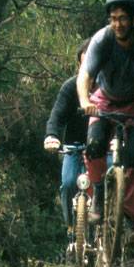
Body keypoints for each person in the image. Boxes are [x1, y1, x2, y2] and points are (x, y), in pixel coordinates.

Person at [77, 0, 134, 247]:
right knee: (94, 146)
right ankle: (98, 195)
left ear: (133, 19)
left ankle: (133, 224)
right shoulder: (101, 40)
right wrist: (85, 102)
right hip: (105, 100)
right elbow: (85, 75)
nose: (118, 24)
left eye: (123, 18)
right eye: (114, 18)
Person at [44, 38, 92, 245]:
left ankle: (110, 224)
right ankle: (72, 227)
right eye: (84, 64)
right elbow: (57, 116)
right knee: (68, 183)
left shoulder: (108, 87)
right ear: (78, 65)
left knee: (107, 183)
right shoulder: (70, 87)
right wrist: (52, 136)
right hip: (73, 146)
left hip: (102, 148)